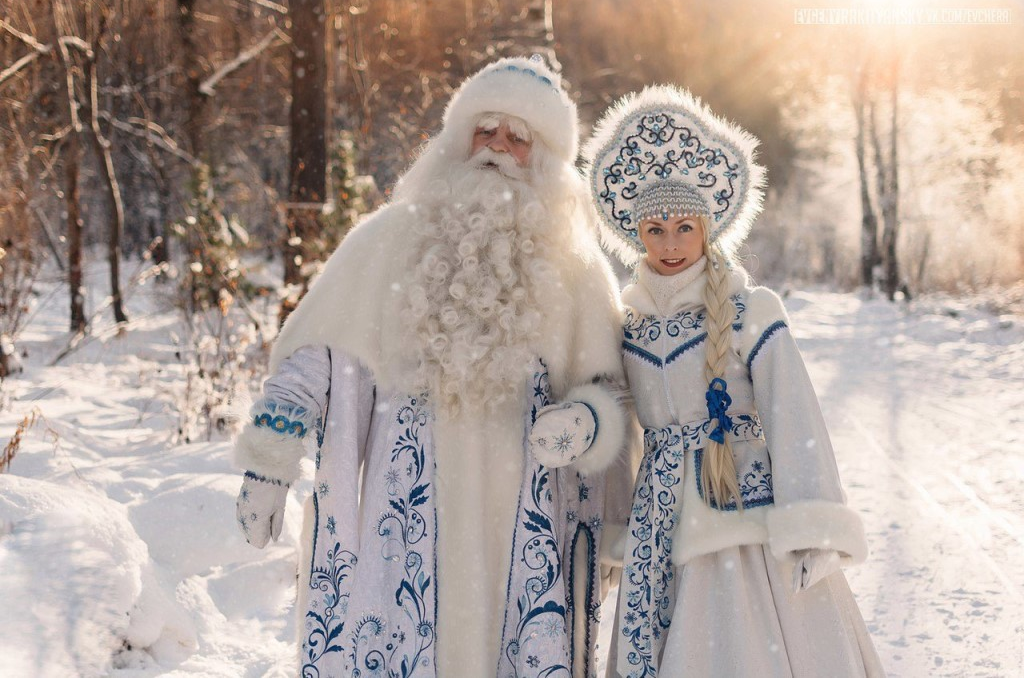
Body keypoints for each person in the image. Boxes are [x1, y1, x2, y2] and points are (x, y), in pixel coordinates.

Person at [231, 56, 632, 678]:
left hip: (524, 529)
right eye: (484, 129)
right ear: (457, 137)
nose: (496, 148)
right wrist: (268, 460)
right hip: (402, 528)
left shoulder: (578, 272)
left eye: (518, 137)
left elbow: (613, 394)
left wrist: (586, 422)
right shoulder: (386, 241)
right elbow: (317, 355)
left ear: (546, 159)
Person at [582, 85, 885, 677]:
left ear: (707, 227)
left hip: (743, 508)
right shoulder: (627, 325)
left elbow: (793, 417)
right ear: (636, 236)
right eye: (655, 229)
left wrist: (812, 523)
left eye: (683, 227)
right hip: (658, 525)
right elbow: (620, 429)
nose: (670, 245)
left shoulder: (754, 312)